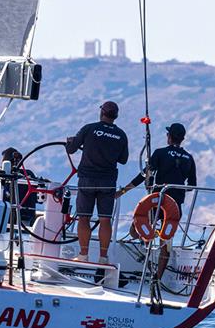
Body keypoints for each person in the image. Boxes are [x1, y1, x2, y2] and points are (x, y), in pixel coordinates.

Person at [116, 122, 197, 280]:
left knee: (134, 231)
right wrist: (177, 187)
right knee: (165, 243)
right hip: (174, 206)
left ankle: (147, 237)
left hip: (156, 202)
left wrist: (123, 191)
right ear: (182, 139)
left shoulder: (160, 153)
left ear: (169, 137)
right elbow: (191, 186)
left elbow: (143, 175)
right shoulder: (189, 158)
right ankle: (157, 278)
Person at [66, 101, 129, 264]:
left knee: (84, 218)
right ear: (116, 116)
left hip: (87, 179)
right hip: (107, 182)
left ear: (102, 113)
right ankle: (103, 257)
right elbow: (123, 160)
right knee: (105, 219)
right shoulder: (121, 135)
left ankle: (83, 255)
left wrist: (70, 141)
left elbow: (71, 149)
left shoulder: (89, 129)